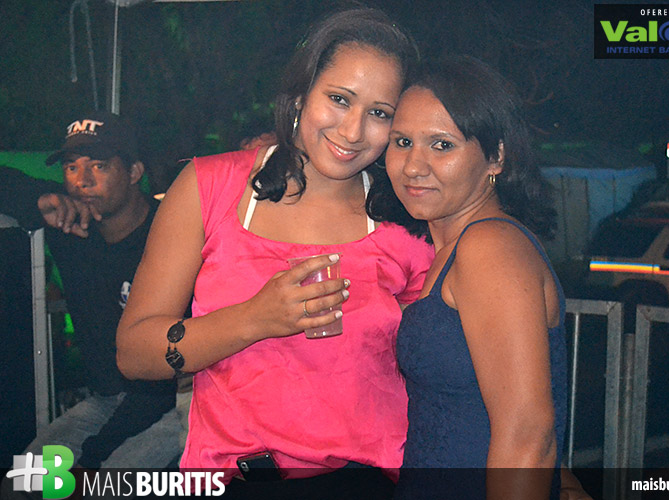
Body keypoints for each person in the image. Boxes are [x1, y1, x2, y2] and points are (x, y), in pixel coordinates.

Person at [116, 8, 432, 499]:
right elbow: (134, 353)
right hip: (234, 480)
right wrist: (254, 319)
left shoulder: (408, 222)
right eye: (339, 99)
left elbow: (442, 374)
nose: (353, 131)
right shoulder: (210, 186)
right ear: (301, 94)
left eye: (379, 113)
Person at [369, 55, 569, 499]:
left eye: (442, 145)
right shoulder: (450, 251)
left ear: (496, 157)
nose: (413, 166)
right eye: (402, 142)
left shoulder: (489, 247)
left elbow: (528, 438)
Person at [0, 112, 180, 488]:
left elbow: (164, 381)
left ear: (133, 172)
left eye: (99, 165)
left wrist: (90, 461)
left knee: (104, 488)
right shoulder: (70, 224)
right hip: (106, 401)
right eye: (71, 167)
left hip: (177, 402)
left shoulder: (171, 230)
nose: (82, 180)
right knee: (22, 483)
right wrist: (38, 199)